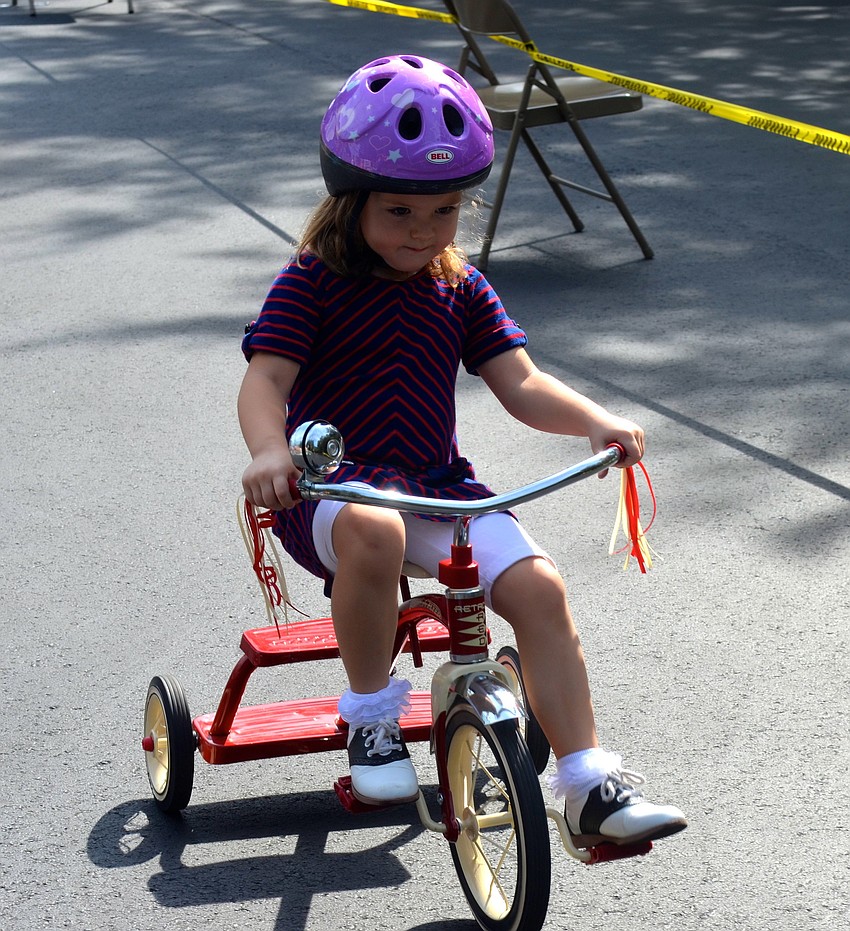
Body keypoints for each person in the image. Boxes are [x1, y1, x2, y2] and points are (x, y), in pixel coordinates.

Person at [239, 54, 686, 847]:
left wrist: (594, 419)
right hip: (330, 490)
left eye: (444, 212)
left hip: (438, 485)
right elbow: (266, 378)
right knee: (373, 527)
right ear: (350, 203)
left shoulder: (461, 286)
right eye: (399, 212)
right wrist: (270, 451)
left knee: (541, 589)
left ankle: (585, 783)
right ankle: (373, 717)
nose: (423, 233)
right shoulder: (311, 280)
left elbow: (521, 382)